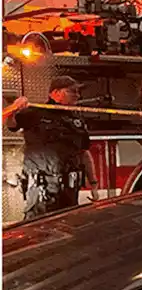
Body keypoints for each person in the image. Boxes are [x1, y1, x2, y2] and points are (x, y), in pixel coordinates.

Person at [3, 76, 100, 220]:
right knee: (40, 230)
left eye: (78, 92)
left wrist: (93, 183)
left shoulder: (76, 120)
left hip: (69, 189)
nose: (77, 95)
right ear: (56, 93)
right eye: (72, 91)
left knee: (68, 229)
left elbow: (84, 152)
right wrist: (14, 108)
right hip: (43, 188)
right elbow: (8, 122)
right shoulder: (36, 113)